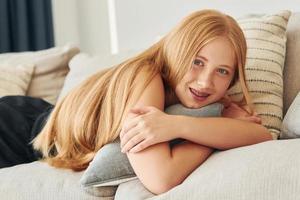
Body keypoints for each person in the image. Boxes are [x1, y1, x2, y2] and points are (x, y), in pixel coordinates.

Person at [0, 9, 273, 194]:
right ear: (177, 52)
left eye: (222, 71)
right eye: (197, 62)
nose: (205, 82)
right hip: (13, 130)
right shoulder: (146, 77)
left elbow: (261, 135)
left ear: (233, 78)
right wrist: (196, 129)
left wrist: (180, 125)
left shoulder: (214, 102)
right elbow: (161, 178)